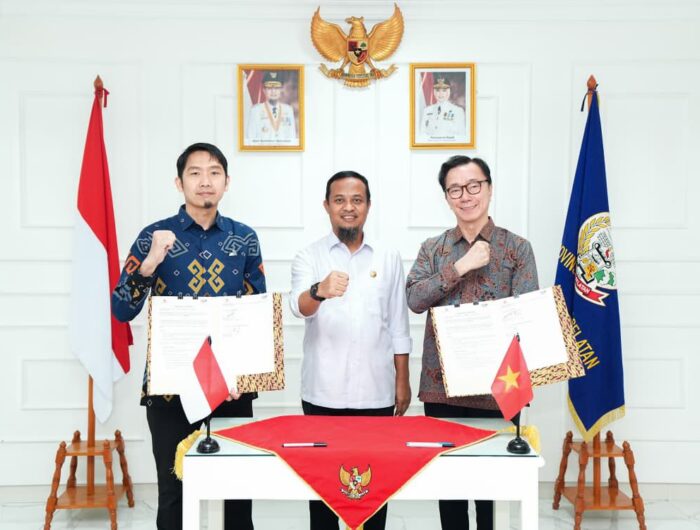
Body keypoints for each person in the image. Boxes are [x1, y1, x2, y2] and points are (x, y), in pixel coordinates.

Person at [112, 143, 265, 530]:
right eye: (194, 173)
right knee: (174, 492)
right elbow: (121, 308)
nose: (205, 181)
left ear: (227, 182)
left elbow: (255, 310)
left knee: (237, 494)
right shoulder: (153, 236)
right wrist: (149, 264)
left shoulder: (245, 238)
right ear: (179, 183)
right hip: (170, 387)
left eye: (214, 172)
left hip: (229, 385)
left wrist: (246, 375)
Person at [405, 155, 538, 530]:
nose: (466, 196)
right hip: (442, 389)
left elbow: (526, 315)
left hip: (498, 387)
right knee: (449, 486)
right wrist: (460, 267)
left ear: (489, 189)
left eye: (474, 186)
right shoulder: (433, 249)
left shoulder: (517, 248)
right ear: (447, 198)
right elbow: (414, 299)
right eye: (455, 189)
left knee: (490, 489)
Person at [290, 170, 412, 530]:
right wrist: (319, 290)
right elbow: (298, 307)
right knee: (323, 492)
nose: (348, 207)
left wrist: (402, 381)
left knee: (375, 490)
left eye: (357, 200)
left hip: (376, 392)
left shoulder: (388, 256)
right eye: (339, 200)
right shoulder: (309, 255)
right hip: (322, 393)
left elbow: (398, 323)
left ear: (368, 206)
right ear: (326, 206)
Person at [246, 71, 297, 143]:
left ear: (281, 90)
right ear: (264, 90)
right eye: (269, 88)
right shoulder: (256, 111)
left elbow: (292, 138)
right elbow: (251, 139)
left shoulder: (288, 110)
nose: (273, 91)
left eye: (276, 88)